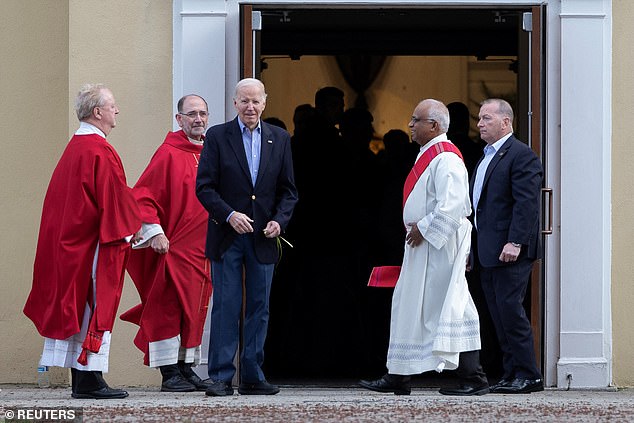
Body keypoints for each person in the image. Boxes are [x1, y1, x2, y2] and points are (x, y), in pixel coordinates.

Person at [358, 99, 488, 396]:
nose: (410, 125)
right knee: (408, 305)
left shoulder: (447, 158)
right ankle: (398, 375)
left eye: (416, 120)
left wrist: (425, 227)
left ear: (434, 125)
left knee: (452, 308)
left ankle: (474, 377)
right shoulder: (428, 155)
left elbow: (454, 204)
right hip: (423, 245)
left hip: (439, 247)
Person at [23, 84, 141, 399]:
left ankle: (85, 379)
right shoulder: (98, 150)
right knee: (91, 307)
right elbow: (113, 198)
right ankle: (89, 378)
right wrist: (133, 229)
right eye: (112, 105)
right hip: (91, 247)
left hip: (73, 244)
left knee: (79, 309)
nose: (117, 111)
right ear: (97, 112)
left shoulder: (76, 147)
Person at [196, 78, 298, 396]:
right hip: (227, 236)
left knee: (259, 306)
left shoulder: (279, 138)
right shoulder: (216, 136)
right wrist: (229, 214)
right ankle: (222, 377)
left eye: (256, 101)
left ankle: (253, 375)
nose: (250, 107)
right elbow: (204, 186)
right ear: (234, 103)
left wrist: (280, 221)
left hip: (264, 238)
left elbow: (289, 191)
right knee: (226, 305)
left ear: (264, 103)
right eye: (244, 101)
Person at [120, 95, 213, 392]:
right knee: (168, 308)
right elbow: (143, 196)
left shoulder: (212, 151)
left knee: (196, 309)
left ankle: (187, 368)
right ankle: (169, 373)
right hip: (175, 247)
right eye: (191, 114)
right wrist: (156, 232)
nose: (198, 119)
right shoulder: (168, 153)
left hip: (205, 250)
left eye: (202, 113)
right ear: (179, 119)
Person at [470, 98, 544, 394]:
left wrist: (515, 241)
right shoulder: (486, 155)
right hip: (488, 250)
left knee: (511, 311)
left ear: (506, 122)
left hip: (509, 250)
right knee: (499, 315)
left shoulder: (520, 154)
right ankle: (512, 372)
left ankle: (529, 375)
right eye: (479, 118)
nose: (479, 124)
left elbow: (526, 203)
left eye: (486, 118)